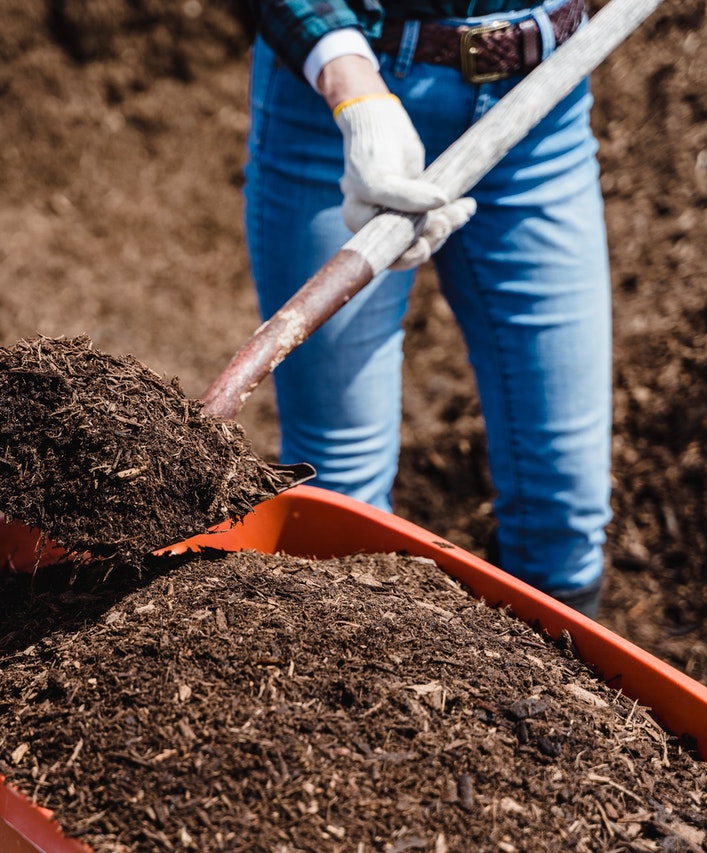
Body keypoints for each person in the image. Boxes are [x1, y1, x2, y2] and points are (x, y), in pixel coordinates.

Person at [243, 0, 610, 618]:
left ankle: (548, 705)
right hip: (343, 101)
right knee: (342, 496)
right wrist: (354, 90)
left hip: (543, 98)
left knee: (565, 507)